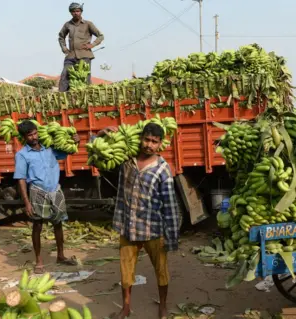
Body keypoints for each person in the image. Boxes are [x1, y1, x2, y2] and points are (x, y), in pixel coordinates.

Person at [94, 123, 180, 319]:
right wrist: (100, 134)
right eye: (147, 140)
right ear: (141, 138)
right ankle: (125, 307)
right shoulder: (126, 159)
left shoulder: (162, 169)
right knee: (126, 271)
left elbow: (170, 206)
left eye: (154, 142)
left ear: (159, 144)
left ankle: (163, 305)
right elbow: (97, 158)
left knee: (161, 270)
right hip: (128, 226)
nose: (149, 145)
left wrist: (171, 237)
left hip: (153, 228)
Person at [13, 120, 80, 274]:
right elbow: (21, 179)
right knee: (37, 225)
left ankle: (61, 256)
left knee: (58, 223)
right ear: (24, 137)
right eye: (30, 135)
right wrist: (27, 203)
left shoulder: (50, 148)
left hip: (55, 190)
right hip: (38, 191)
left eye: (35, 133)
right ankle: (39, 261)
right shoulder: (22, 155)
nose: (34, 137)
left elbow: (69, 152)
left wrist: (77, 141)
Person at [58, 2, 104, 92]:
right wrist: (64, 48)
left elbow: (100, 36)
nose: (76, 13)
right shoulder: (67, 25)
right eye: (74, 11)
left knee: (84, 78)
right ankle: (62, 98)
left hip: (85, 55)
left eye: (78, 11)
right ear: (71, 13)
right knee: (65, 75)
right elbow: (61, 36)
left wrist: (92, 45)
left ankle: (87, 98)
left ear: (81, 12)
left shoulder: (88, 24)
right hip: (70, 56)